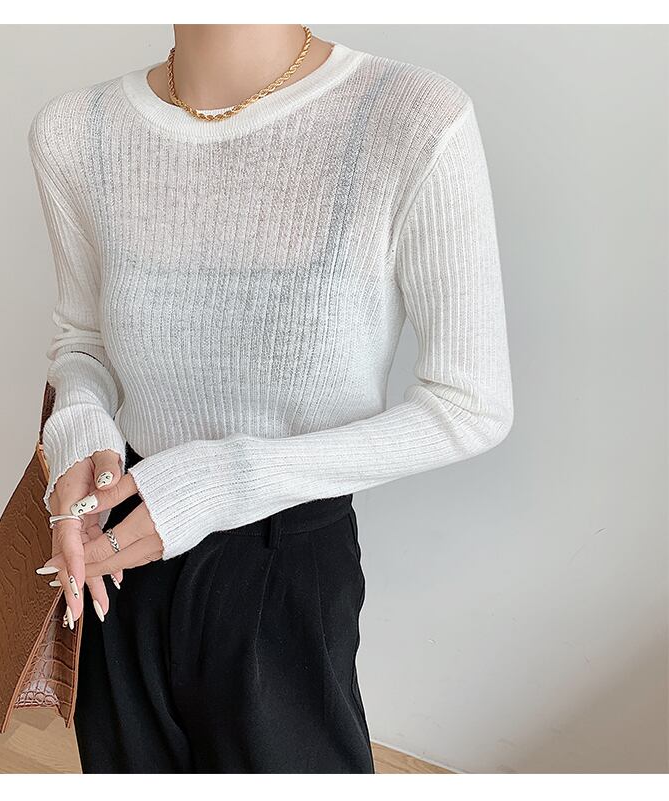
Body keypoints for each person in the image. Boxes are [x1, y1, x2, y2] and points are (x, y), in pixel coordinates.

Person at [30, 23, 514, 773]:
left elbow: (470, 403)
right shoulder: (74, 131)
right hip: (117, 543)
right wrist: (78, 432)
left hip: (285, 564)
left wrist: (226, 480)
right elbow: (83, 342)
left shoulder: (410, 117)